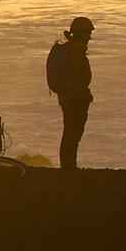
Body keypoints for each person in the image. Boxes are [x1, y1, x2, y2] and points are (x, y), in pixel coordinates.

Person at [54, 16, 94, 171]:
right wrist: (86, 94)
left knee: (70, 132)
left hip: (68, 97)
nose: (90, 37)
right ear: (81, 33)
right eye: (88, 33)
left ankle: (69, 166)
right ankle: (69, 168)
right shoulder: (76, 51)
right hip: (75, 98)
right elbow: (78, 77)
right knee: (73, 133)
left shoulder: (71, 48)